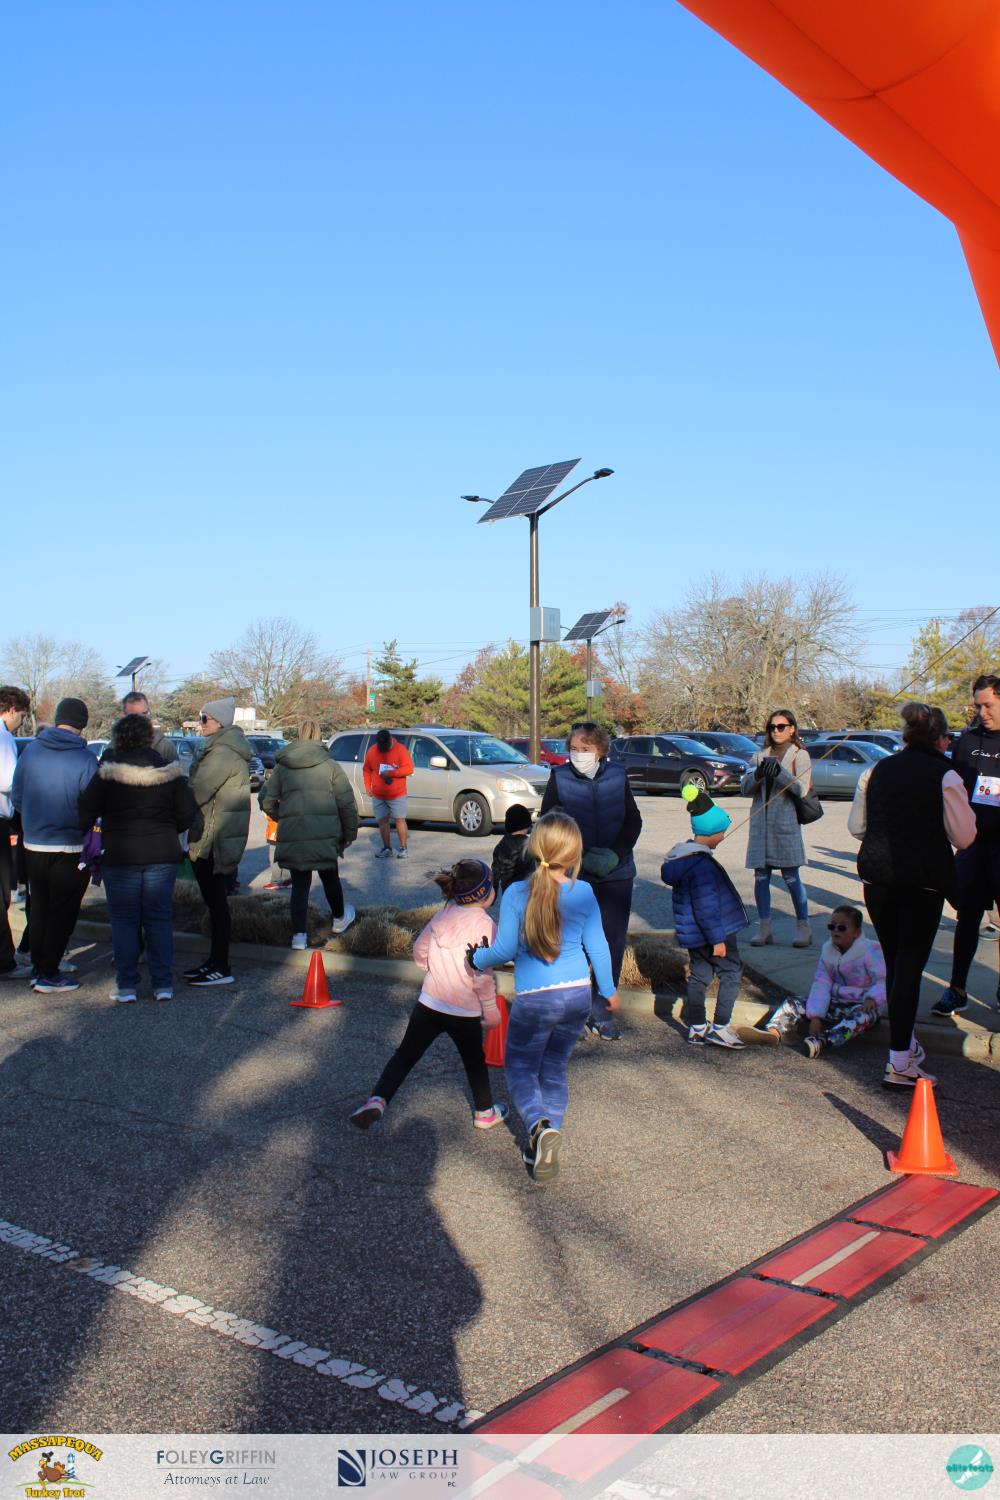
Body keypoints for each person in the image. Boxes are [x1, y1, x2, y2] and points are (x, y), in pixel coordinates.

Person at [470, 811, 617, 1185]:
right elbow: (598, 946)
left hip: (536, 998)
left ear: (534, 848)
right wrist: (609, 990)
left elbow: (503, 950)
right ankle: (545, 1145)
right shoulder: (583, 892)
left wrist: (476, 959)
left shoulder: (517, 893)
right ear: (575, 853)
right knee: (554, 1068)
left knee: (521, 1068)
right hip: (578, 994)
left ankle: (538, 1125)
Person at [849, 702, 976, 1088]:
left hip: (878, 880)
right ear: (940, 739)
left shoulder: (876, 770)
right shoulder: (946, 775)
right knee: (909, 966)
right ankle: (900, 1061)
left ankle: (903, 1046)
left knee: (895, 962)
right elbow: (964, 836)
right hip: (922, 883)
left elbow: (858, 827)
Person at [350, 859, 507, 1132]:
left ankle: (378, 1099)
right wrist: (491, 1009)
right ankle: (484, 1112)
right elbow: (482, 973)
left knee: (405, 1055)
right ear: (484, 893)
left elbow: (419, 950)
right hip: (464, 1011)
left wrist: (430, 967)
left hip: (429, 1003)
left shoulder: (442, 915)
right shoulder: (486, 925)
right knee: (474, 1063)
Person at [78, 713, 197, 1002]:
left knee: (124, 921)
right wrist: (167, 829)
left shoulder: (107, 774)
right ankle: (163, 984)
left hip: (120, 854)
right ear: (148, 738)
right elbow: (187, 814)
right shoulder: (170, 773)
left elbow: (85, 810)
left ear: (118, 738)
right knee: (159, 919)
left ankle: (127, 985)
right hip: (162, 853)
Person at [539, 721, 641, 1040]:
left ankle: (602, 1012)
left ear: (600, 749)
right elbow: (549, 823)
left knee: (611, 943)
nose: (579, 754)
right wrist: (575, 855)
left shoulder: (618, 776)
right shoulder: (559, 776)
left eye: (586, 748)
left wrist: (614, 854)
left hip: (616, 873)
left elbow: (633, 821)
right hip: (574, 873)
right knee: (572, 944)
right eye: (574, 748)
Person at [11, 698, 97, 993]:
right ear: (82, 723)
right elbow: (91, 806)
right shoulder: (85, 759)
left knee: (39, 908)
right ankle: (49, 972)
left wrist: (33, 821)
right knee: (63, 911)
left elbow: (17, 797)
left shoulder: (31, 751)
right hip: (69, 845)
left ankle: (39, 968)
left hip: (34, 843)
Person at [660, 783, 749, 1048]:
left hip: (694, 935)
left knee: (699, 976)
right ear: (711, 833)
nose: (723, 836)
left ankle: (697, 1026)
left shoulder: (684, 858)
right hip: (714, 933)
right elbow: (706, 907)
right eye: (722, 831)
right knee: (731, 972)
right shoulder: (702, 866)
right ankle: (720, 1027)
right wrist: (718, 940)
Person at [259, 720, 359, 949]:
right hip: (325, 833)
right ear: (318, 736)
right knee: (330, 877)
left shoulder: (282, 767)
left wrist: (283, 817)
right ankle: (339, 918)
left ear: (298, 735)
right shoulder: (330, 765)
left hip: (294, 834)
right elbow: (346, 803)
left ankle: (299, 936)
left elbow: (266, 800)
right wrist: (349, 833)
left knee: (300, 885)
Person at [933, 674, 1000, 1015]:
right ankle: (956, 989)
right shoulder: (968, 740)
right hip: (972, 847)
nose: (981, 713)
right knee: (967, 918)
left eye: (988, 705)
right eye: (978, 706)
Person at [758, 905, 887, 1057]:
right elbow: (821, 982)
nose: (836, 930)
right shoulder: (828, 951)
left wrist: (872, 998)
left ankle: (823, 1041)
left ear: (856, 933)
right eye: (832, 926)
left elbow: (883, 979)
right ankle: (774, 1031)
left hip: (861, 1004)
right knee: (793, 1002)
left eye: (842, 927)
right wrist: (816, 1015)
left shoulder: (870, 950)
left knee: (859, 1018)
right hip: (834, 1002)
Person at [185, 697, 251, 986]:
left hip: (213, 838)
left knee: (217, 904)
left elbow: (197, 791)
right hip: (214, 835)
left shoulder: (222, 753)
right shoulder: (219, 748)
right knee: (215, 903)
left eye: (205, 719)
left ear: (219, 722)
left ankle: (221, 966)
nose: (200, 724)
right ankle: (214, 961)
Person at [741, 709, 813, 948]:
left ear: (792, 729)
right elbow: (744, 789)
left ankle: (803, 926)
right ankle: (765, 927)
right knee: (761, 877)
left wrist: (780, 772)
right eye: (772, 727)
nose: (776, 731)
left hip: (786, 822)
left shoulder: (800, 755)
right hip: (760, 824)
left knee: (791, 876)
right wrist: (758, 774)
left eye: (781, 727)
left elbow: (801, 789)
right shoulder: (759, 755)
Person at [0, 686, 31, 981]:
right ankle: (4, 962)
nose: (20, 722)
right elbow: (10, 782)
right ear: (10, 709)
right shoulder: (4, 737)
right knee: (2, 895)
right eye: (21, 716)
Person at [363, 729, 414, 859]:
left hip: (397, 794)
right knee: (382, 821)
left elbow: (409, 768)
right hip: (378, 795)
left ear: (389, 740)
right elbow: (366, 769)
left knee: (400, 820)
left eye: (384, 746)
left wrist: (392, 773)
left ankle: (403, 848)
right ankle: (387, 848)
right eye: (380, 746)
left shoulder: (400, 750)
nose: (382, 748)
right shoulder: (372, 751)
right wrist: (368, 787)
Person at [115, 692, 178, 763]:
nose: (141, 720)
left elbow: (175, 769)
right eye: (134, 716)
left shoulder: (165, 746)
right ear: (124, 716)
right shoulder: (113, 747)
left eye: (144, 714)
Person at [491, 803, 534, 896]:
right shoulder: (529, 846)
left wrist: (494, 895)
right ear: (526, 825)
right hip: (525, 893)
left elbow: (495, 873)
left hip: (506, 892)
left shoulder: (500, 846)